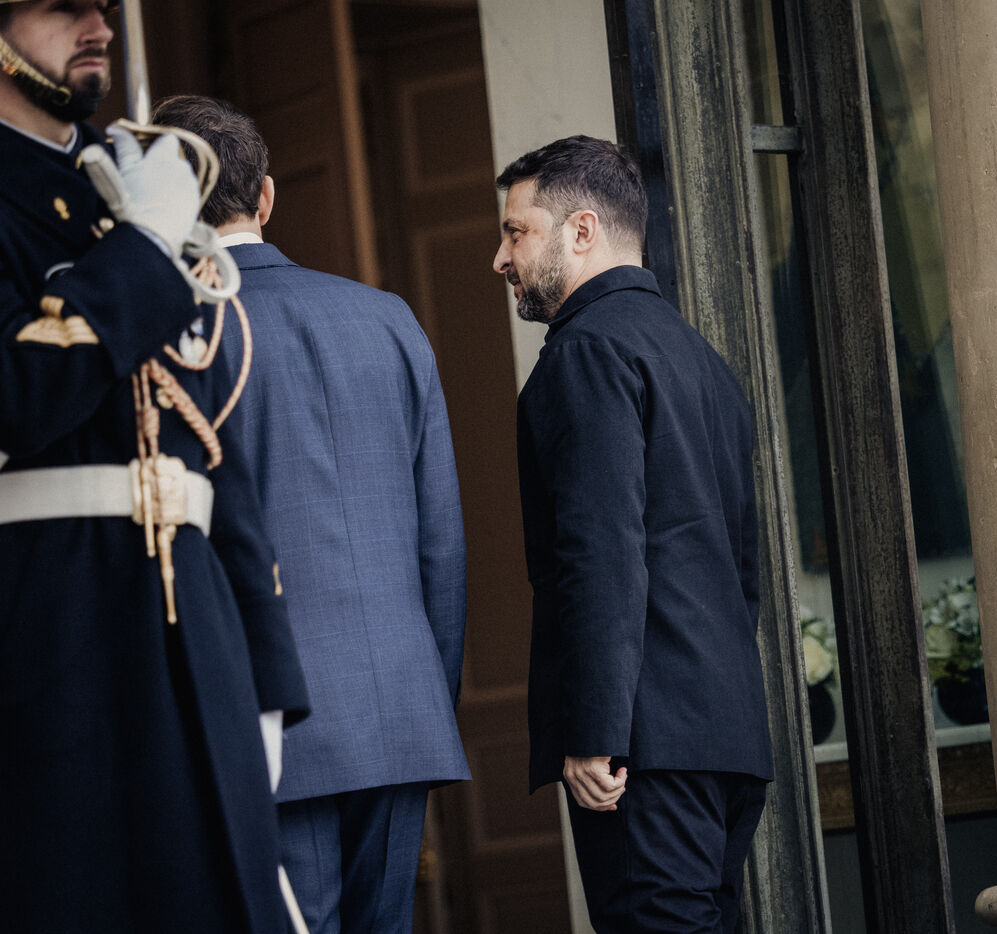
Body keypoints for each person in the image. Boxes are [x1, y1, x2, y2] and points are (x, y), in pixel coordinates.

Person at [0, 2, 309, 932]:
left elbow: (207, 441)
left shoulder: (133, 182)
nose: (98, 24)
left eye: (103, 3)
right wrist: (141, 251)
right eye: (62, 6)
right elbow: (17, 393)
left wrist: (263, 679)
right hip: (50, 642)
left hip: (194, 646)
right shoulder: (132, 214)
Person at [152, 93, 470, 934]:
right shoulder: (389, 319)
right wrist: (426, 697)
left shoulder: (176, 341)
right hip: (402, 711)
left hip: (267, 718)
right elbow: (441, 544)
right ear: (264, 198)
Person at [493, 135, 774, 932]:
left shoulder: (586, 351)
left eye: (516, 232)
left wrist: (595, 732)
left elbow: (599, 552)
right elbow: (740, 569)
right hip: (723, 737)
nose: (501, 259)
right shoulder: (699, 359)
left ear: (581, 231)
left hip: (640, 751)